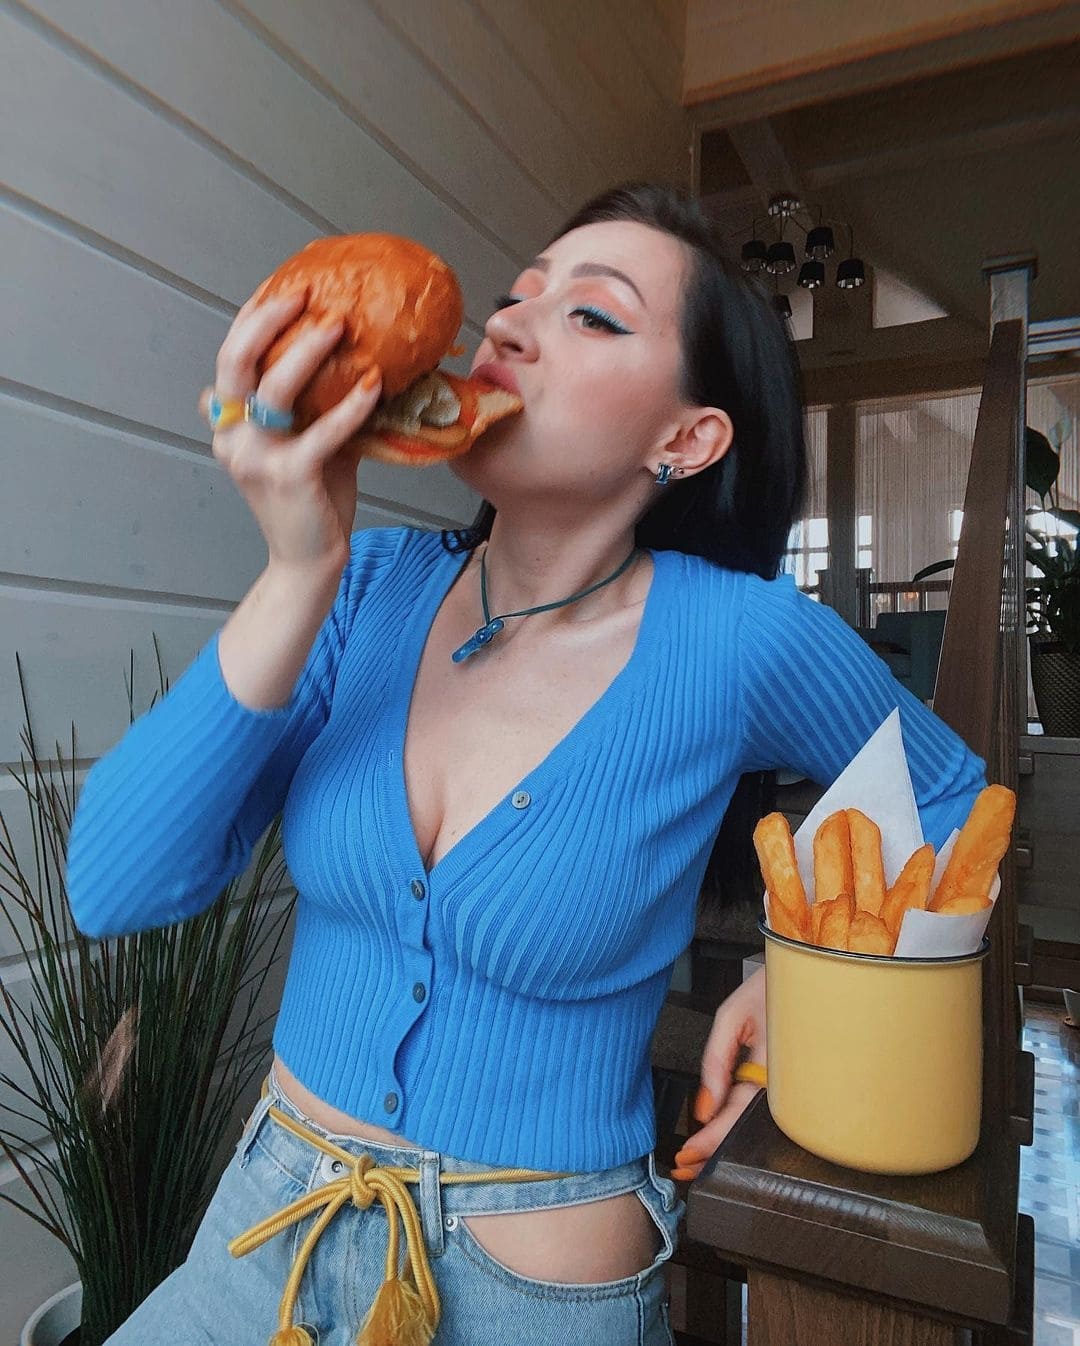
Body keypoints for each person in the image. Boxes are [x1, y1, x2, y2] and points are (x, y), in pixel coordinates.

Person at [66, 183, 986, 1346]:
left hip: (537, 1293)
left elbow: (953, 794)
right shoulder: (364, 587)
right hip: (266, 1241)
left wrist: (806, 982)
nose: (505, 325)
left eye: (593, 314)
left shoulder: (740, 636)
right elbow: (114, 883)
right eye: (516, 298)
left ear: (686, 438)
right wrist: (298, 569)